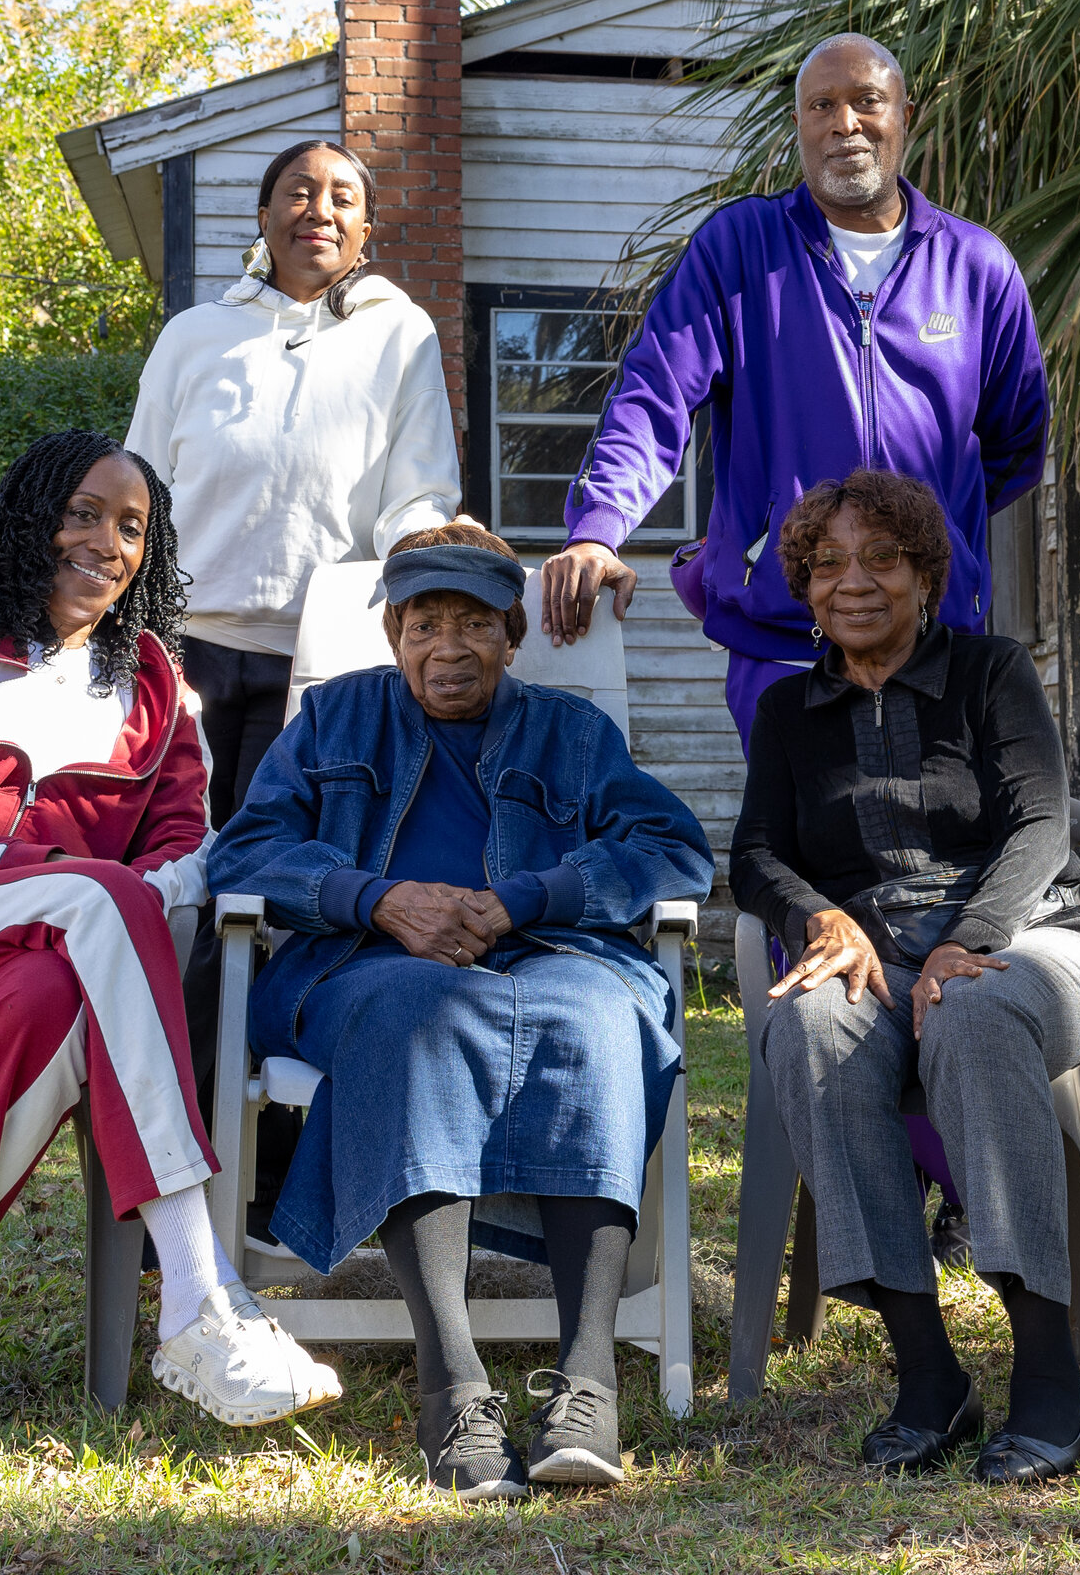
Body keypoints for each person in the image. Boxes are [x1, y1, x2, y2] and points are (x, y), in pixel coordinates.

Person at [539, 33, 1048, 1259]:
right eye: (821, 105)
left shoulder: (976, 268)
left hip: (939, 644)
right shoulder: (740, 253)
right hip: (786, 640)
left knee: (945, 876)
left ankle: (943, 1153)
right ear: (799, 124)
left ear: (905, 116)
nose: (844, 125)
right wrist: (600, 526)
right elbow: (655, 396)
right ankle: (890, 1160)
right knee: (828, 884)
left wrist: (932, 550)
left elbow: (1014, 440)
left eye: (866, 102)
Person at [0, 431, 340, 1449]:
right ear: (30, 515)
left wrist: (91, 904)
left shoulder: (157, 683)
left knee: (50, 998)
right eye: (83, 513)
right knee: (96, 898)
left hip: (31, 971)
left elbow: (186, 850)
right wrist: (34, 874)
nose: (106, 544)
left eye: (132, 528)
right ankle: (201, 1296)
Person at [208, 522, 713, 1501]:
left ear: (512, 638)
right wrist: (377, 898)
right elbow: (244, 853)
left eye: (476, 624)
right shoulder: (333, 720)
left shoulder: (573, 734)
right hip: (368, 962)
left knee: (600, 1025)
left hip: (553, 955)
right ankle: (452, 1384)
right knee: (418, 1020)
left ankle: (588, 1378)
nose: (450, 649)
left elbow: (673, 850)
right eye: (425, 625)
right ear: (395, 636)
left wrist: (529, 898)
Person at [730, 470, 1080, 1485]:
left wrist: (971, 935)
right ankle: (928, 1373)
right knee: (810, 1027)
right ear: (805, 588)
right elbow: (755, 855)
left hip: (1031, 939)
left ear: (926, 575)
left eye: (881, 559)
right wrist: (818, 918)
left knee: (973, 1012)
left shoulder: (991, 672)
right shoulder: (788, 709)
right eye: (827, 564)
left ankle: (1047, 1369)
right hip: (879, 954)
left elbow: (1041, 824)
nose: (853, 582)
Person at [125, 138, 461, 1217]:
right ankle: (167, 1161)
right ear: (265, 215)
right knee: (179, 896)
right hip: (185, 658)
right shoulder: (196, 335)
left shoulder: (398, 333)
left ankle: (274, 1168)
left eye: (343, 196)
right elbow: (140, 490)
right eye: (299, 192)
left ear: (365, 227)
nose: (320, 208)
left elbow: (416, 495)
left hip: (323, 668)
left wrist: (437, 548)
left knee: (292, 900)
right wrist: (139, 646)